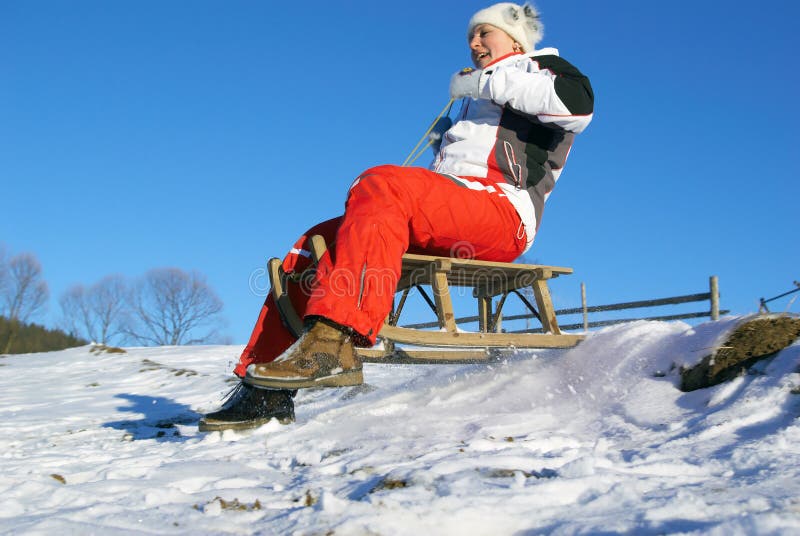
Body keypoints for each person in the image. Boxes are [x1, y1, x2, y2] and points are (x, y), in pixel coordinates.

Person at [199, 2, 594, 432]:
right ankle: (262, 389)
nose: (475, 43)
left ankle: (335, 338)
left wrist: (479, 84)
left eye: (485, 33)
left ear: (515, 38)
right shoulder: (475, 99)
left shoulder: (546, 69)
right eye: (471, 37)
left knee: (382, 182)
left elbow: (576, 108)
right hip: (455, 210)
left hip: (502, 212)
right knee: (318, 241)